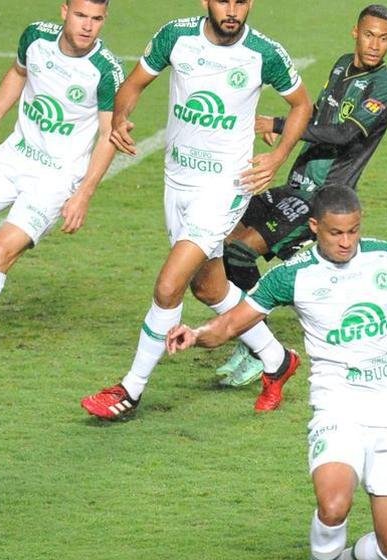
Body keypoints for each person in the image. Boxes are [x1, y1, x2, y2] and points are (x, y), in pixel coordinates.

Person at [166, 185, 387, 560]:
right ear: (315, 227)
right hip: (338, 407)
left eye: (354, 231)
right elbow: (232, 322)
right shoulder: (291, 276)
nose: (347, 241)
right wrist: (196, 335)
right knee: (333, 505)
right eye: (336, 233)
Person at [80, 0, 313, 420]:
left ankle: (130, 390)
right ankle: (278, 360)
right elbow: (133, 85)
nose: (232, 10)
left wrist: (277, 157)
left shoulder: (264, 53)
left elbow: (302, 105)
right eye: (224, 1)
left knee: (169, 286)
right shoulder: (176, 36)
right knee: (209, 288)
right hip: (178, 182)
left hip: (225, 187)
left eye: (241, 2)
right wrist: (120, 118)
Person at [214, 3, 387, 387]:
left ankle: (259, 348)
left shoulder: (384, 86)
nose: (374, 44)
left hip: (323, 197)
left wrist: (280, 123)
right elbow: (319, 115)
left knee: (241, 252)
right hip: (297, 184)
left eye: (383, 39)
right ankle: (257, 337)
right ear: (356, 32)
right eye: (369, 35)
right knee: (223, 242)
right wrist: (286, 126)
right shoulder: (341, 66)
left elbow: (344, 134)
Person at [0, 0, 123, 355]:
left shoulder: (105, 70)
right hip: (13, 156)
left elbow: (109, 135)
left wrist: (83, 194)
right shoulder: (36, 38)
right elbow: (18, 73)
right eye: (81, 16)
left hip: (55, 179)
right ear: (64, 11)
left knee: (0, 250)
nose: (88, 26)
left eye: (97, 19)